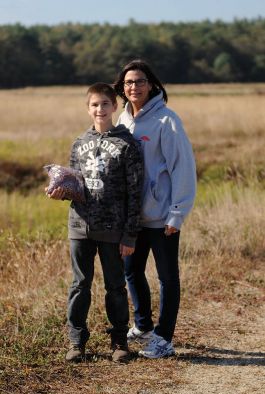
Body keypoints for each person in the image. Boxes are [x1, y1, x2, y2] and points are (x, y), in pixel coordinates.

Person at [46, 82, 143, 363]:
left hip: (113, 229)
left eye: (104, 104)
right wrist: (61, 192)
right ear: (88, 109)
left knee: (115, 286)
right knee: (79, 285)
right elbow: (76, 186)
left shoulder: (128, 144)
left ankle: (119, 342)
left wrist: (130, 234)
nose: (99, 109)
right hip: (79, 225)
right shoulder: (78, 143)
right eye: (94, 105)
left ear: (114, 106)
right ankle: (77, 342)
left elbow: (135, 193)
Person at [114, 60, 197, 359]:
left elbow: (182, 168)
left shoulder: (167, 120)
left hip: (162, 217)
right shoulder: (122, 123)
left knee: (167, 277)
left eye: (139, 81)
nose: (133, 87)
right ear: (122, 89)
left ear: (151, 85)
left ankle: (164, 338)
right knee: (132, 273)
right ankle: (143, 326)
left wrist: (177, 213)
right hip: (133, 218)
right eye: (128, 83)